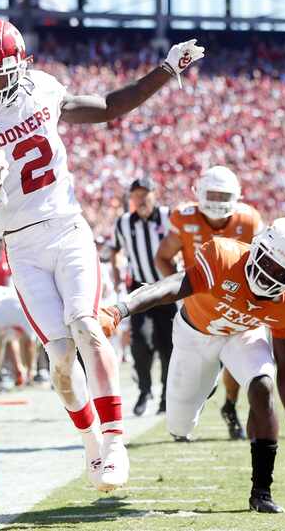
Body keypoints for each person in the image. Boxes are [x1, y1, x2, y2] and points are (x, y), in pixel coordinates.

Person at [0, 18, 204, 492]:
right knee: (59, 356)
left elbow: (105, 107)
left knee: (87, 323)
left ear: (19, 67)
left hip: (66, 226)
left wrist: (164, 70)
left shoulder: (41, 90)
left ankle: (116, 441)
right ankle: (90, 442)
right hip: (21, 242)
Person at [99, 218, 285, 513]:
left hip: (242, 334)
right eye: (268, 261)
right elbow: (172, 285)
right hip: (195, 335)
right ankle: (209, 383)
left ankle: (261, 492)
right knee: (179, 424)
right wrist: (119, 310)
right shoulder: (223, 256)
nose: (269, 274)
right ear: (257, 247)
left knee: (262, 385)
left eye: (282, 272)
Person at [155, 165, 265, 439]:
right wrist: (182, 295)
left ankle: (229, 406)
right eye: (212, 195)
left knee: (237, 361)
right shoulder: (184, 217)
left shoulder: (249, 221)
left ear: (236, 196)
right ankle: (203, 398)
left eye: (222, 195)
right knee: (194, 375)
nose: (217, 202)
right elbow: (163, 257)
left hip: (238, 302)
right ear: (199, 194)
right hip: (199, 305)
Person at [112, 177, 176, 416]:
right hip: (141, 290)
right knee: (140, 340)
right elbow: (116, 249)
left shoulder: (170, 216)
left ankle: (166, 398)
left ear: (154, 194)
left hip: (169, 288)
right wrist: (118, 271)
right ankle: (145, 389)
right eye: (136, 195)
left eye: (144, 194)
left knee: (168, 346)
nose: (140, 199)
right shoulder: (124, 223)